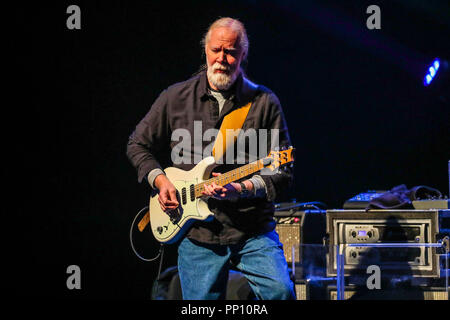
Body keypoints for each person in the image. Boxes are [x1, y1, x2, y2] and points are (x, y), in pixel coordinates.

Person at [127, 17, 295, 300]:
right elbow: (137, 144)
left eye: (230, 52)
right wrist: (160, 180)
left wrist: (240, 189)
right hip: (199, 234)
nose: (222, 59)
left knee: (281, 293)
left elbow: (283, 171)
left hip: (251, 230)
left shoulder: (264, 102)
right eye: (216, 50)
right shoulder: (175, 98)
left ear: (242, 55)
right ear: (205, 50)